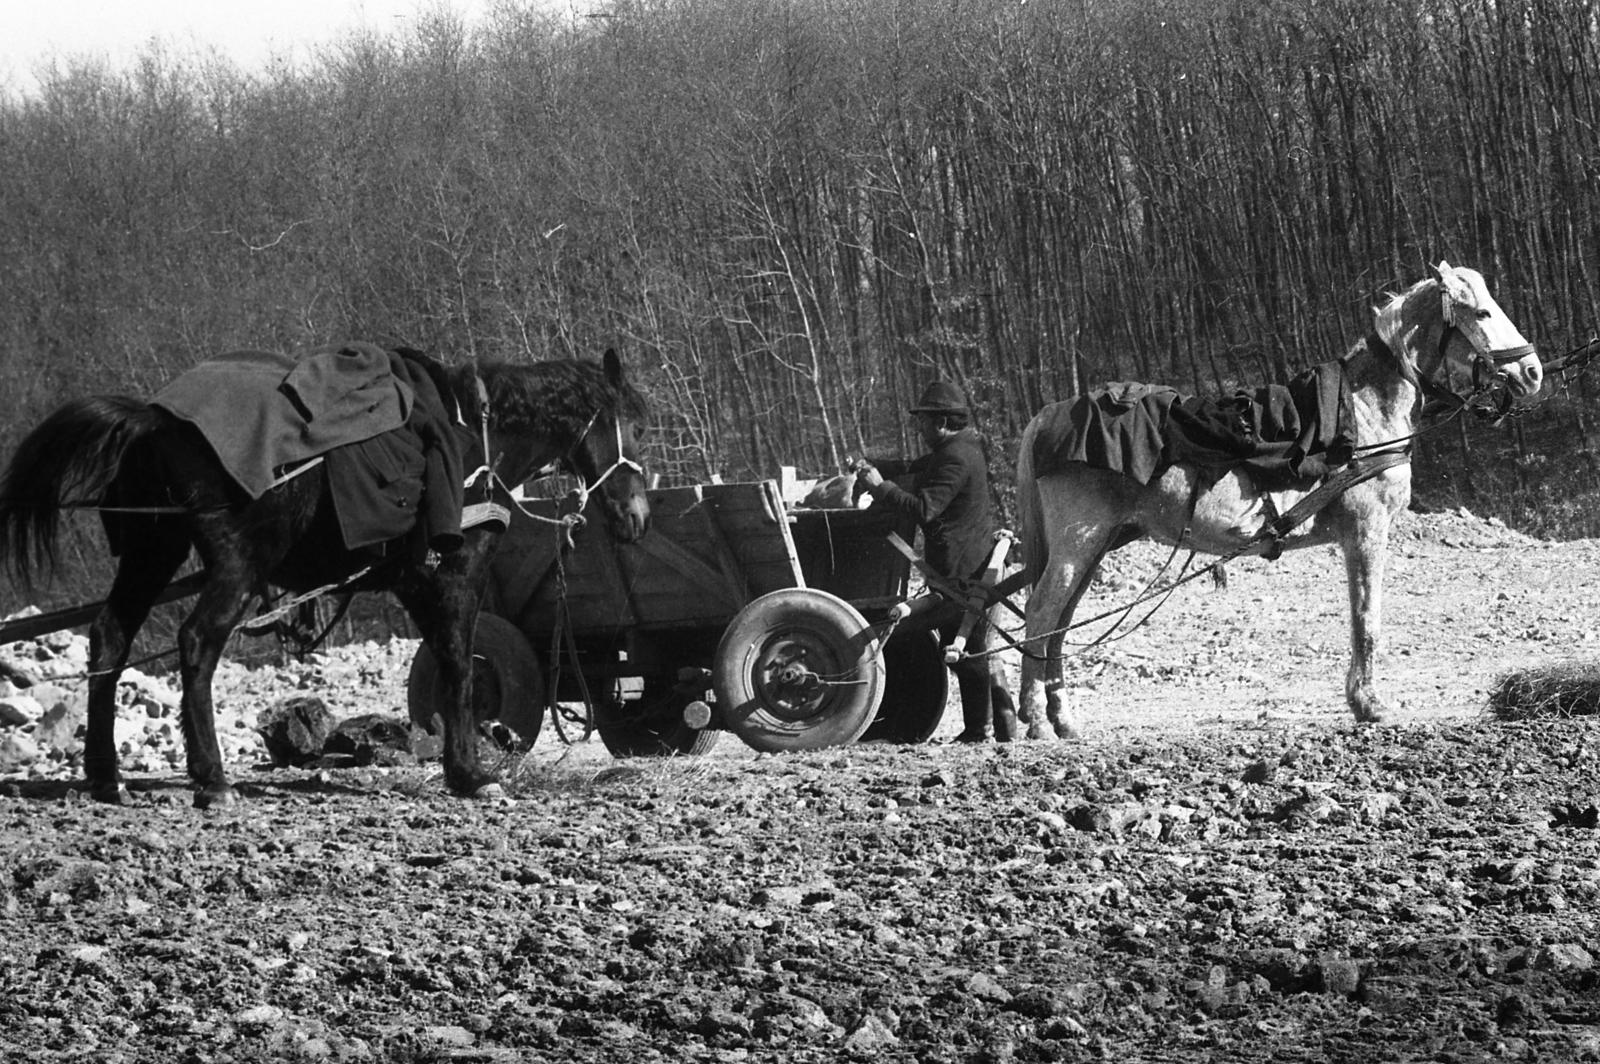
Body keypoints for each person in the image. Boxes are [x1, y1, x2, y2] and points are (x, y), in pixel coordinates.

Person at [854, 380, 1019, 743]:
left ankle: (980, 732)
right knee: (974, 649)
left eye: (924, 421)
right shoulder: (957, 448)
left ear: (942, 421)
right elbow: (914, 468)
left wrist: (881, 486)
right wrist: (879, 468)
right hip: (963, 566)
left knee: (969, 650)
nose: (919, 427)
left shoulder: (954, 457)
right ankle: (1000, 732)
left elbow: (924, 510)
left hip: (963, 572)